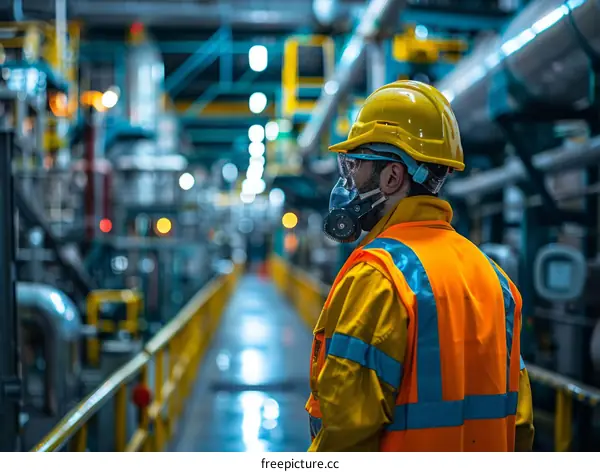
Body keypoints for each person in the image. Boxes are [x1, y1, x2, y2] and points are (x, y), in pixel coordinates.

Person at [306, 80, 534, 452]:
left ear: (392, 177)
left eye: (357, 166)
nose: (349, 182)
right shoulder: (496, 280)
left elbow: (347, 427)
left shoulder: (379, 277)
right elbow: (520, 424)